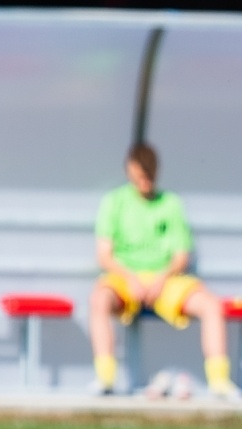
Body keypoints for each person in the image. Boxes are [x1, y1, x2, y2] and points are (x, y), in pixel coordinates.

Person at [89, 143, 234, 397]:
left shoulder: (171, 204)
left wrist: (159, 280)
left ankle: (219, 382)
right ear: (129, 172)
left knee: (212, 305)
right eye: (140, 176)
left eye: (149, 175)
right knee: (98, 299)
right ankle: (105, 379)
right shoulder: (114, 202)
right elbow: (104, 256)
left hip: (166, 280)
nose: (145, 182)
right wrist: (131, 278)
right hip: (124, 278)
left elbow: (181, 256)